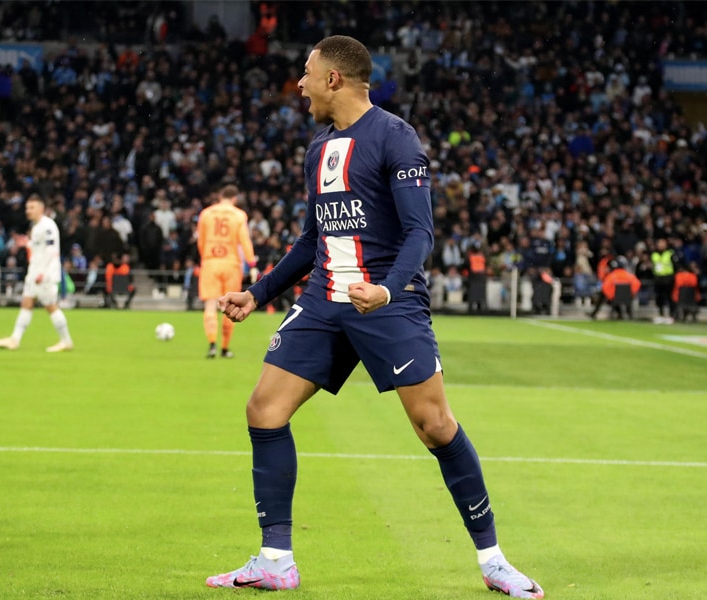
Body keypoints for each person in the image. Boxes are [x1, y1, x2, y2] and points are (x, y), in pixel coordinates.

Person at [207, 36, 544, 598]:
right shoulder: (318, 148)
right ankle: (275, 560)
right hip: (323, 302)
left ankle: (493, 562)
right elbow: (311, 239)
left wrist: (388, 290)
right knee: (264, 410)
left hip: (388, 305)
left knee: (435, 425)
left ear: (334, 79)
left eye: (308, 73)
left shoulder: (395, 137)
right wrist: (259, 291)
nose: (300, 84)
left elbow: (421, 232)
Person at [0, 194, 74, 352]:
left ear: (41, 209)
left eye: (32, 207)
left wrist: (43, 273)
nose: (28, 211)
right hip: (34, 272)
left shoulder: (48, 226)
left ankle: (66, 340)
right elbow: (40, 249)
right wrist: (28, 244)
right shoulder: (36, 227)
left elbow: (52, 252)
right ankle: (15, 339)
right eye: (27, 208)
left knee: (51, 306)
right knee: (26, 303)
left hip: (44, 274)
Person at [196, 184, 258, 358]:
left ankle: (212, 344)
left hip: (210, 262)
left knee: (210, 304)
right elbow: (244, 241)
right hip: (231, 264)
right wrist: (252, 263)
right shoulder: (239, 215)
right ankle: (225, 348)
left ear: (219, 196)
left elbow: (200, 241)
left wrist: (206, 257)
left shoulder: (206, 214)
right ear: (235, 199)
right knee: (230, 305)